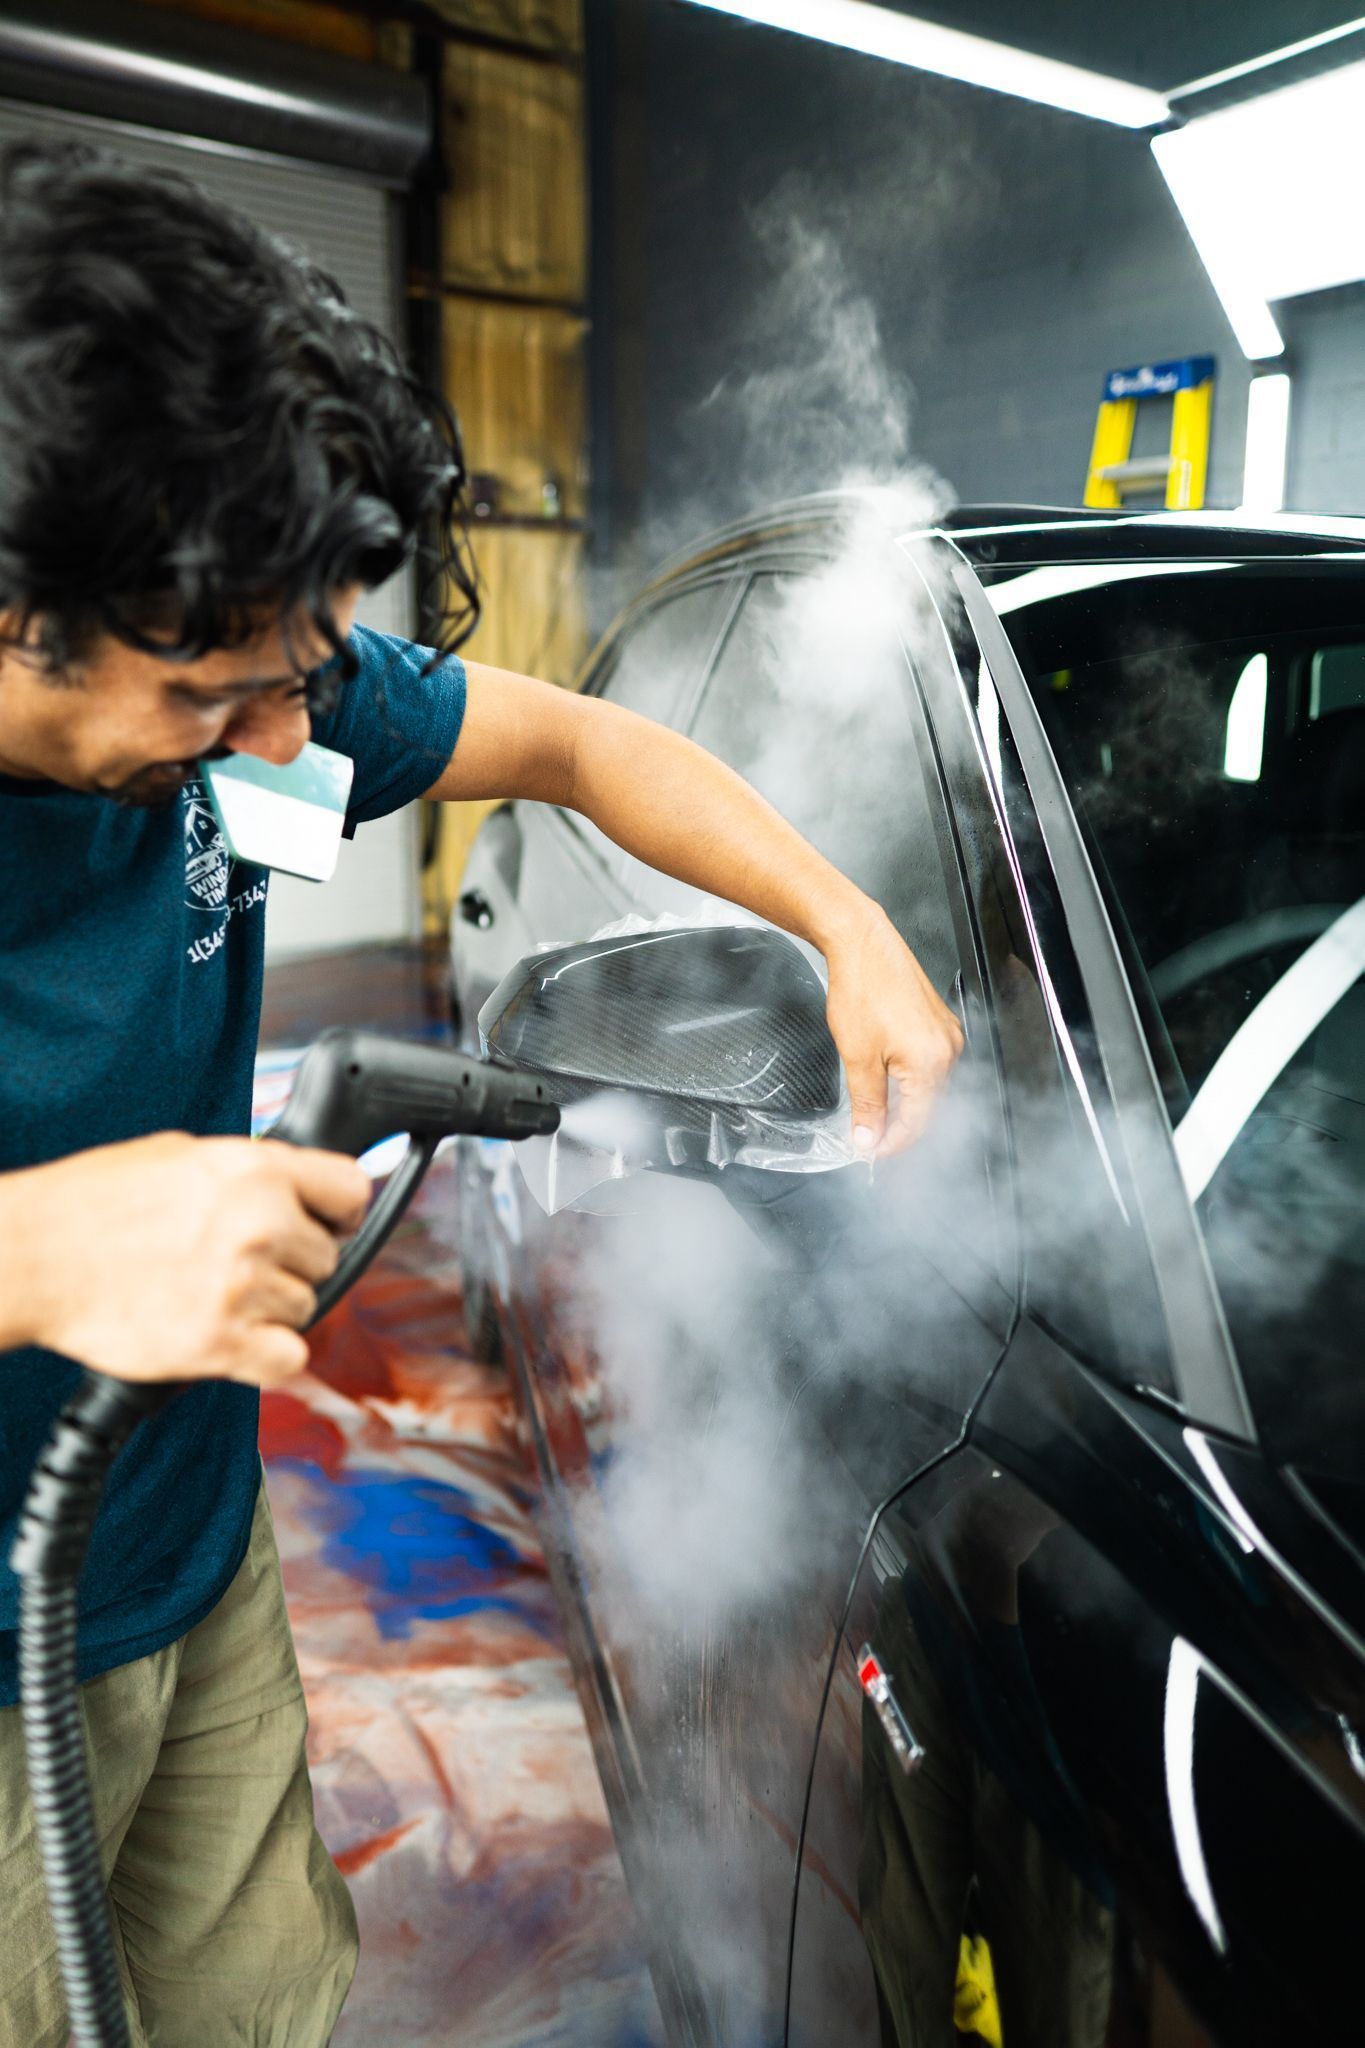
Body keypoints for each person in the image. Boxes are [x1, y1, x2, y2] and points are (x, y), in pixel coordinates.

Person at [0, 139, 961, 2045]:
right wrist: (34, 1248)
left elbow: (582, 746)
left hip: (186, 1554)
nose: (295, 745)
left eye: (306, 678)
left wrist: (848, 924)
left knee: (256, 2006)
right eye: (212, 701)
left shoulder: (265, 661)